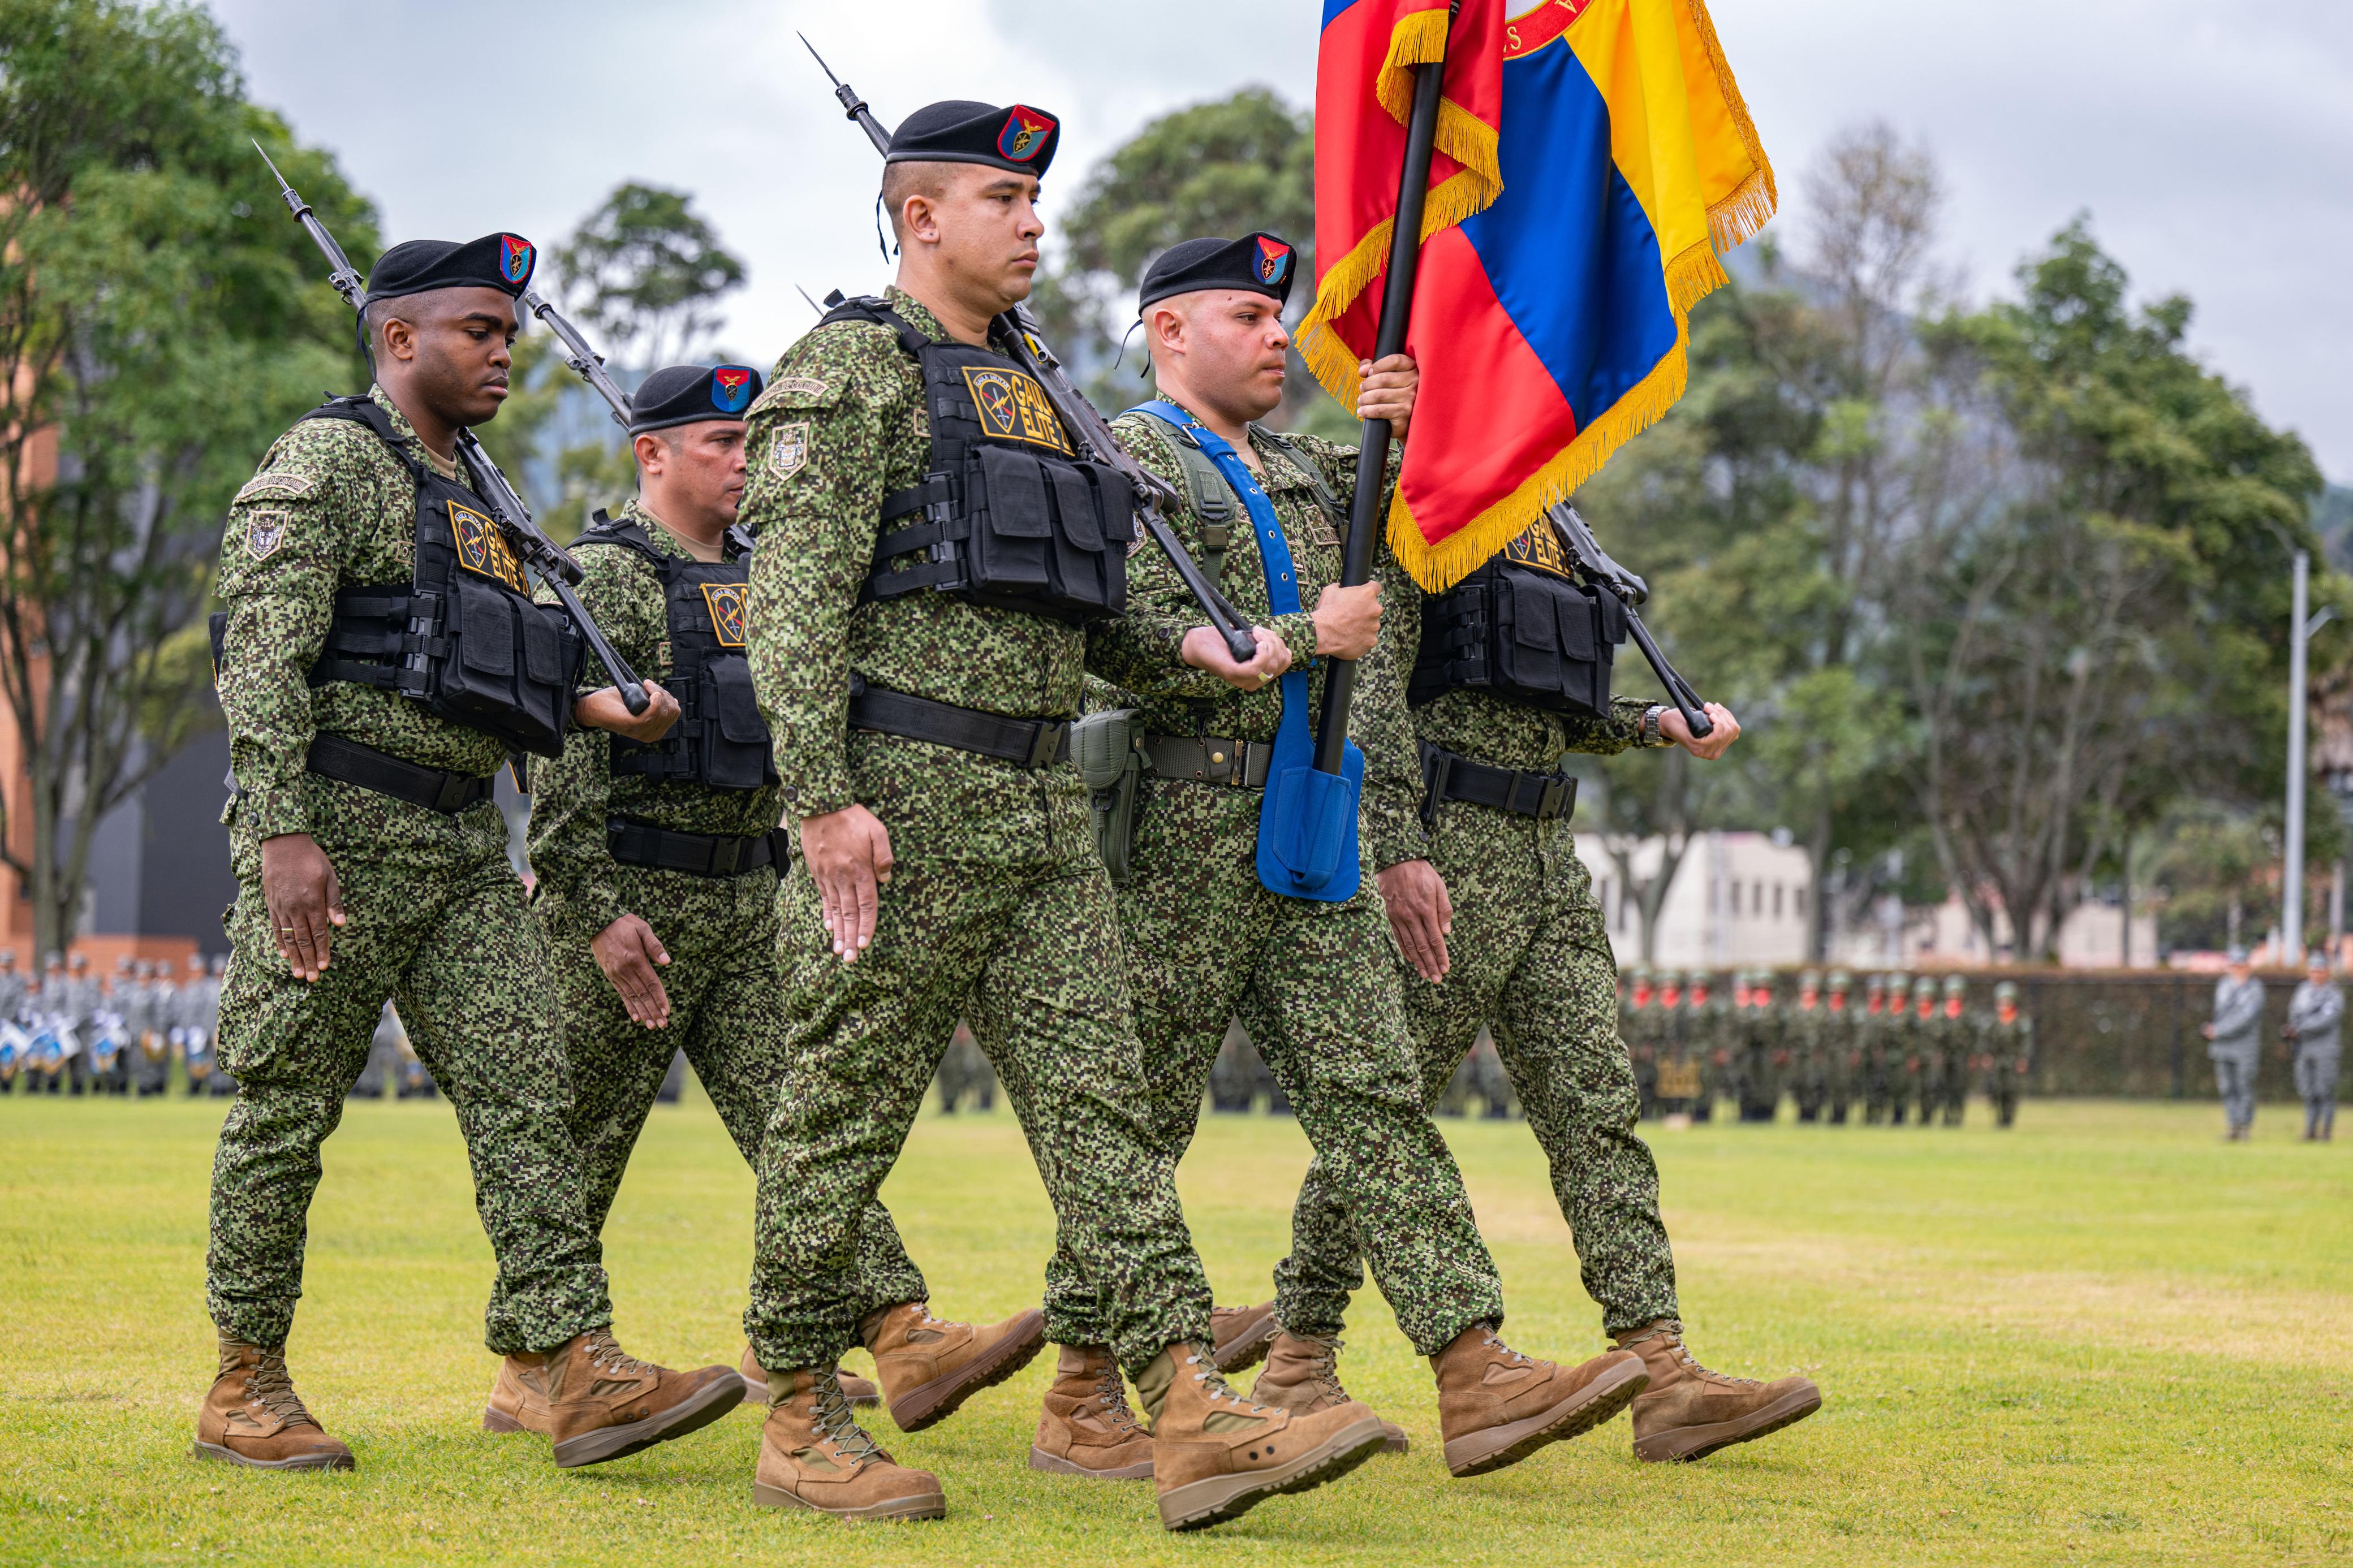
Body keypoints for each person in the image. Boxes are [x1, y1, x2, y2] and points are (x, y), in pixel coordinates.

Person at [740, 115, 1385, 1529]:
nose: (1033, 222)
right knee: (839, 1116)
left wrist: (1211, 652)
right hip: (899, 799)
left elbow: (1088, 615)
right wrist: (823, 802)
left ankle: (1189, 1413)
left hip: (1042, 805)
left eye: (1038, 196)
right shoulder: (855, 368)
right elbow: (789, 606)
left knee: (1104, 1114)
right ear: (918, 219)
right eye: (1001, 197)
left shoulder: (1045, 393)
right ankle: (797, 1410)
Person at [1096, 230, 1703, 1484]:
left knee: (1377, 1100)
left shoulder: (1310, 476)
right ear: (1167, 332)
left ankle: (1471, 1370)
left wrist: (1407, 401)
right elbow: (1117, 631)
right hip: (1183, 828)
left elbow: (1429, 481)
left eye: (1281, 317)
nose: (1277, 336)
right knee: (1136, 1120)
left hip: (1314, 823)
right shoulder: (1128, 459)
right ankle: (1079, 1392)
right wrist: (1278, 637)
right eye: (1247, 317)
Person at [201, 229, 734, 1476]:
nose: (505, 352)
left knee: (529, 1088)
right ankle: (244, 1379)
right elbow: (259, 654)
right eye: (479, 332)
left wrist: (598, 707)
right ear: (398, 338)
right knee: (286, 1107)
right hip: (332, 832)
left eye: (510, 331)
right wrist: (280, 829)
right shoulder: (330, 463)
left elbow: (494, 663)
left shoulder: (486, 494)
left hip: (456, 846)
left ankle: (569, 1361)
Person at [520, 361, 917, 1418]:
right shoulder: (604, 574)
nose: (746, 464)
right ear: (651, 453)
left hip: (746, 901)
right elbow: (561, 759)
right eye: (722, 444)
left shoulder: (766, 577)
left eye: (751, 445)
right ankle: (537, 1363)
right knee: (581, 1140)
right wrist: (595, 911)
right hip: (633, 901)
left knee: (798, 1117)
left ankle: (893, 1323)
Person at [2202, 949, 2265, 1141]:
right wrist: (2213, 1029)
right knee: (2227, 1087)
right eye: (2234, 966)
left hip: (2244, 1046)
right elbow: (2220, 1013)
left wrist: (2219, 1031)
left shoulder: (2255, 989)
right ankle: (2233, 1125)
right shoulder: (2223, 986)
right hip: (2223, 1046)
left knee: (2244, 1086)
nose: (2237, 969)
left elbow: (2245, 1019)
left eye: (2241, 965)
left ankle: (2245, 1126)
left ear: (2247, 967)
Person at [2282, 951, 2341, 1142]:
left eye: (2320, 970)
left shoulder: (2334, 994)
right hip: (2303, 1048)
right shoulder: (2303, 991)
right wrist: (2291, 1030)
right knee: (2307, 1090)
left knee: (2325, 1089)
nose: (2316, 974)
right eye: (2313, 970)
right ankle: (2310, 1129)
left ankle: (2326, 1130)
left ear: (2327, 972)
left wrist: (2300, 1029)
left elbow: (2326, 1020)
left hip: (2325, 1049)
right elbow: (2294, 1013)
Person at [1984, 980, 2032, 1129]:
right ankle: (1999, 1119)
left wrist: (2023, 1059)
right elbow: (1986, 1039)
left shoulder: (2020, 1020)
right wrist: (1987, 1055)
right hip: (1998, 1061)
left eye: (2007, 1001)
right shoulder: (1993, 1020)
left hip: (2012, 1060)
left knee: (2011, 1090)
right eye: (2001, 1002)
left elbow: (2025, 1041)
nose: (2004, 1005)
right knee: (1996, 1090)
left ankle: (2008, 1119)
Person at [1822, 970, 1856, 1124]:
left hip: (1844, 1051)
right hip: (1827, 1052)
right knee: (1828, 1084)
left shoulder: (1851, 1010)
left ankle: (1841, 1114)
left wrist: (1854, 1051)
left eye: (1840, 991)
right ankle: (1829, 1114)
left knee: (1843, 1084)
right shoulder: (1824, 1010)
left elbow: (1856, 1033)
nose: (1837, 994)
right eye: (1834, 991)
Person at [1937, 975, 1972, 1126]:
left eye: (1957, 995)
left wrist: (1972, 1055)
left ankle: (1957, 1116)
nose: (1954, 998)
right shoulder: (1941, 1014)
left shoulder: (1967, 1014)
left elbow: (1973, 1036)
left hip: (1960, 1056)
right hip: (1945, 1056)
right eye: (1951, 995)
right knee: (1943, 1087)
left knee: (1958, 1087)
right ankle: (1946, 1116)